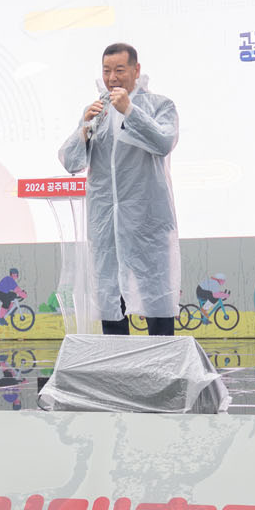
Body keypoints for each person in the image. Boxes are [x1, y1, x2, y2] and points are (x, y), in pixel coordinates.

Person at [58, 42, 180, 336]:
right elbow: (70, 161)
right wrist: (84, 130)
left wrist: (129, 111)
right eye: (107, 71)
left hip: (147, 224)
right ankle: (117, 362)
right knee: (110, 298)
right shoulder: (96, 111)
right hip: (106, 226)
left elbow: (164, 142)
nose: (112, 78)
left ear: (136, 70)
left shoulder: (160, 106)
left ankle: (162, 359)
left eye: (119, 70)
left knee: (155, 295)